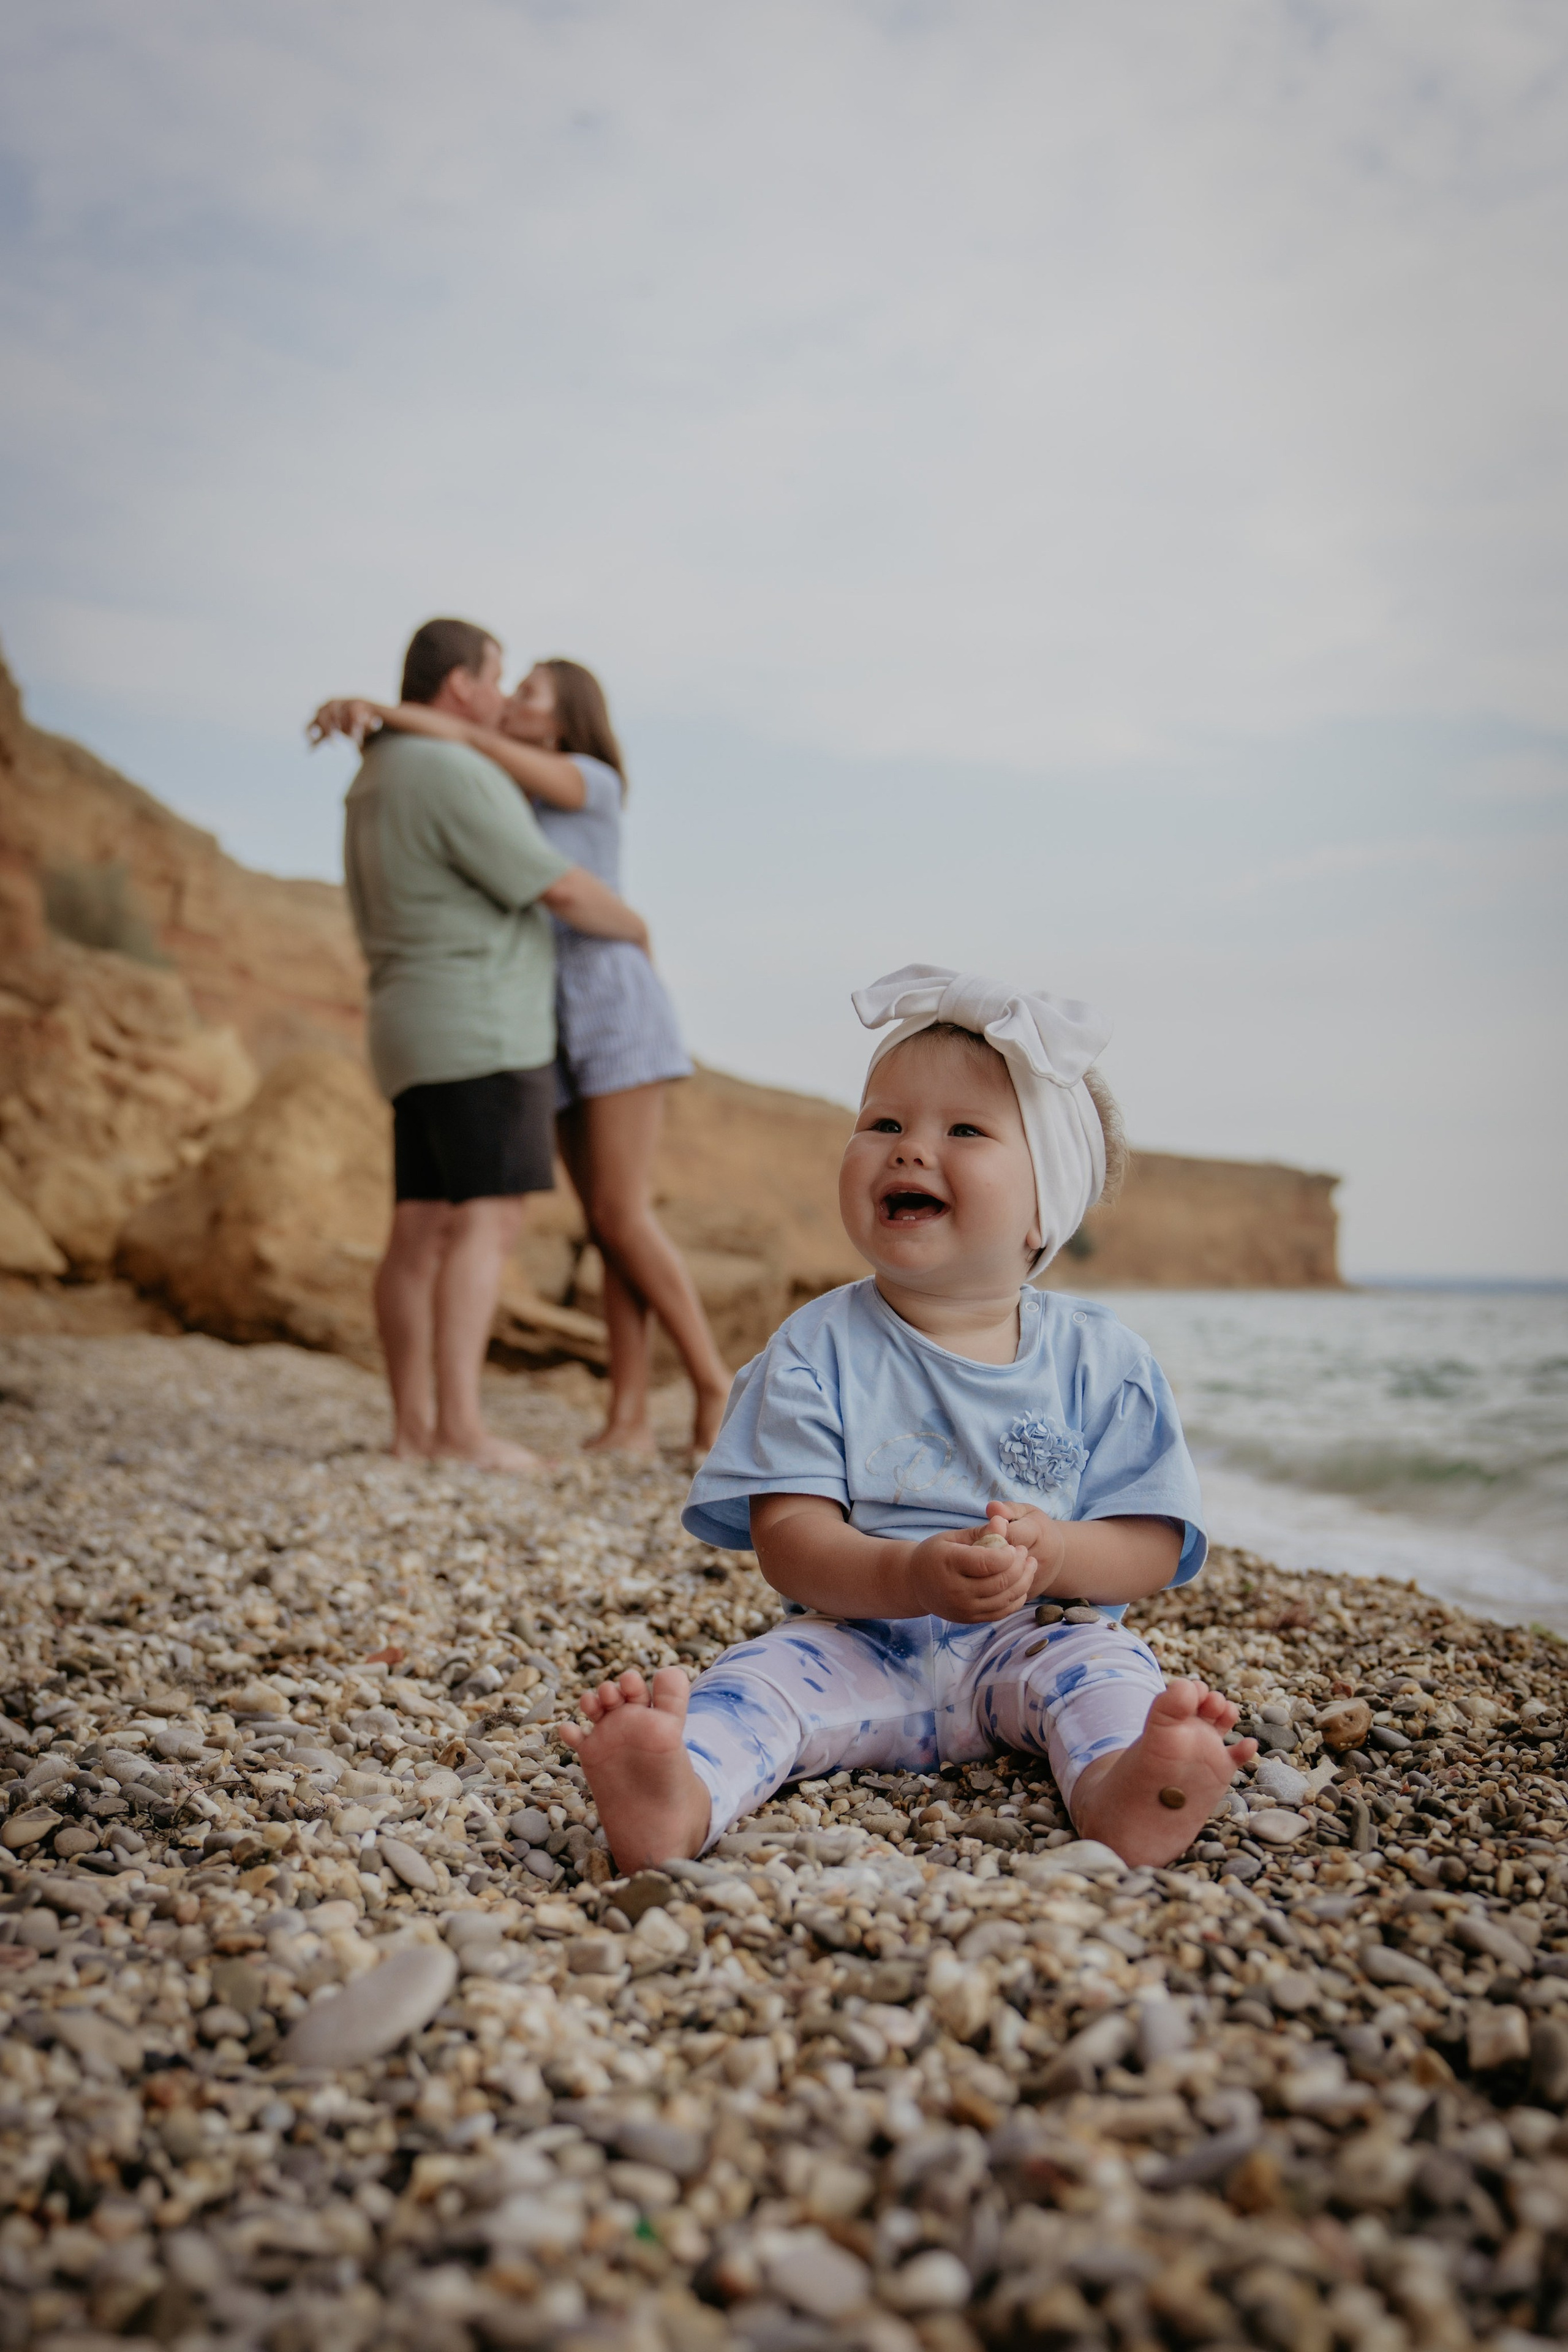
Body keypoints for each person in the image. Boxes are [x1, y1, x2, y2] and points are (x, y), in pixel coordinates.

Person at [558, 964, 1258, 1872]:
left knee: (1110, 1676)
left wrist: (1058, 1555)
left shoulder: (1104, 1360)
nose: (908, 1148)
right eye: (882, 1123)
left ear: (1045, 1210)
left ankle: (1128, 1788)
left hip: (1036, 1635)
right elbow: (790, 1541)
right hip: (853, 1638)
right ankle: (677, 1793)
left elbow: (1154, 1541)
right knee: (755, 1685)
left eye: (964, 1130)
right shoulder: (814, 1347)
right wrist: (913, 1574)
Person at [309, 659, 731, 1460]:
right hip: (547, 1011)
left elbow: (469, 732)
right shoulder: (510, 789)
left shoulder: (588, 779)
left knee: (623, 1213)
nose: (512, 702)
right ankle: (629, 1419)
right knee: (602, 1223)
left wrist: (382, 711)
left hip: (608, 996)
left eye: (530, 693)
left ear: (566, 717)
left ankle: (713, 1383)